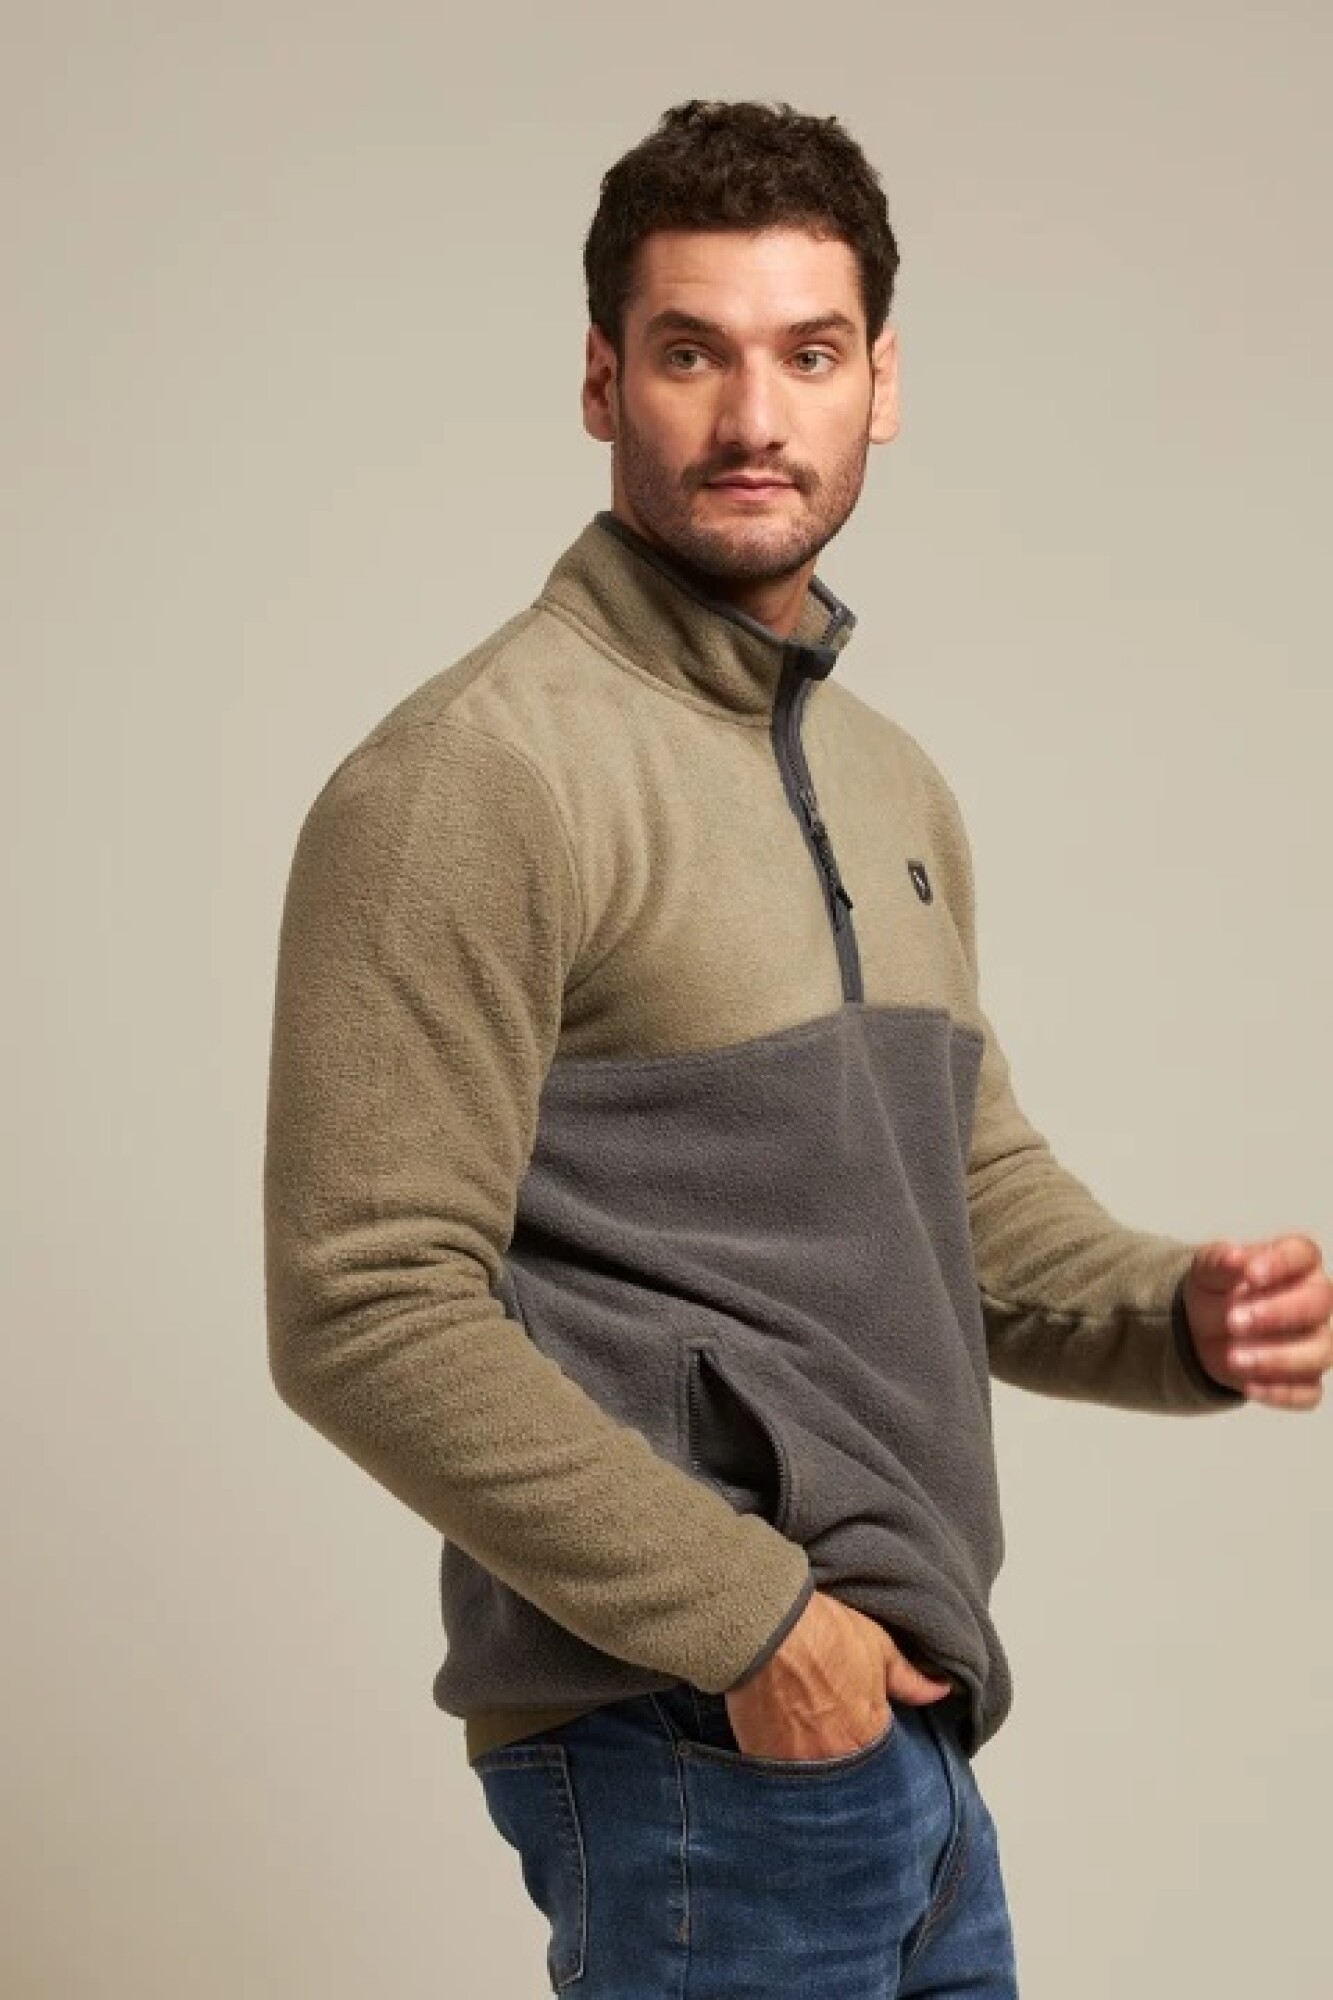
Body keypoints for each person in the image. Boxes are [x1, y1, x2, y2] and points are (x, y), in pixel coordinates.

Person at [262, 98, 1332, 1998]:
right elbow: (362, 1303)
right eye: (692, 353)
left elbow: (959, 1197)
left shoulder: (885, 776)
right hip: (695, 1727)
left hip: (901, 1729)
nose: (754, 416)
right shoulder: (472, 777)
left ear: (879, 383)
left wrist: (1178, 1311)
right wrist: (759, 1629)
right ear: (602, 381)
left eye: (808, 354)